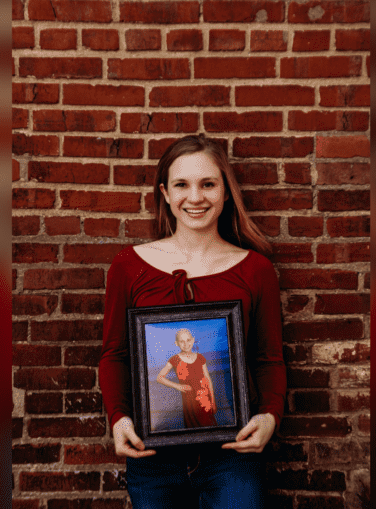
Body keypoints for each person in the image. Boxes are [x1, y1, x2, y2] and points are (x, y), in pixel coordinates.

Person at [98, 134, 287, 509]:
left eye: (208, 184)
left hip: (232, 455)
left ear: (226, 192)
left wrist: (269, 417)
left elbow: (268, 359)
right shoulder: (128, 267)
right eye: (182, 185)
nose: (195, 197)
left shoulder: (256, 270)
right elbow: (115, 354)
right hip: (152, 458)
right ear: (165, 193)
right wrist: (119, 419)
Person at [155, 328, 218, 429]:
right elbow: (159, 377)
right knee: (193, 430)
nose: (186, 344)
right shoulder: (174, 359)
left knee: (210, 428)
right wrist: (177, 386)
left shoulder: (200, 357)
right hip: (189, 403)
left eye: (188, 340)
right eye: (182, 341)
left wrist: (213, 401)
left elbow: (208, 380)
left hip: (205, 401)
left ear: (193, 340)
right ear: (177, 343)